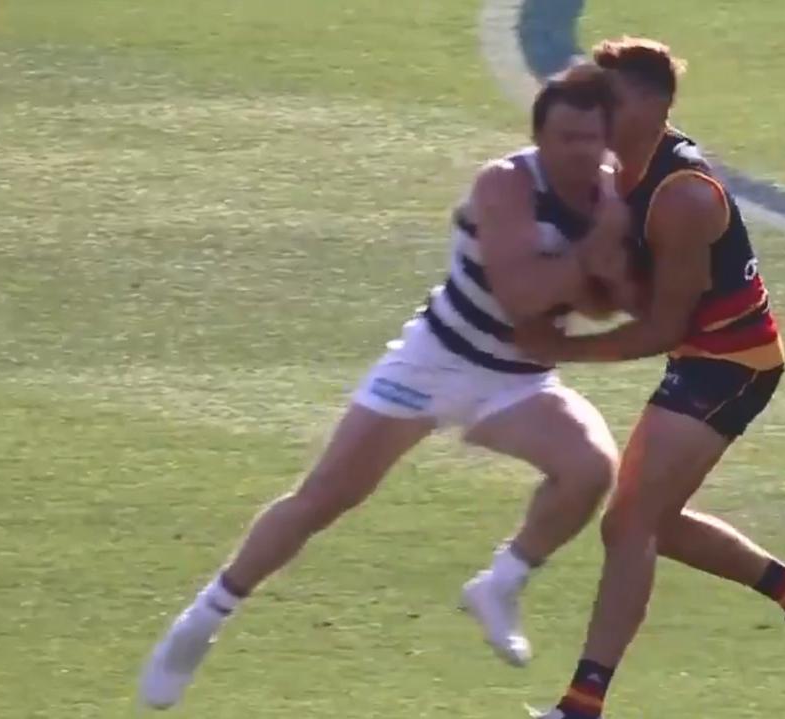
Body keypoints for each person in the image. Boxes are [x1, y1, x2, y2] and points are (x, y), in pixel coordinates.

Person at [138, 66, 634, 710]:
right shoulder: (506, 183)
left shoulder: (613, 195)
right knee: (325, 496)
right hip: (432, 362)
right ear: (539, 138)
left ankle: (501, 582)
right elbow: (524, 295)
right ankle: (205, 617)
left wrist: (598, 268)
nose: (579, 151)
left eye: (590, 138)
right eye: (565, 137)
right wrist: (599, 251)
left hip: (517, 378)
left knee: (591, 468)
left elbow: (608, 304)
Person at [516, 39, 785, 719]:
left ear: (652, 105)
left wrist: (559, 349)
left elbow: (665, 326)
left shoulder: (684, 197)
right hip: (698, 351)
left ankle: (582, 706)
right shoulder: (614, 170)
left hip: (731, 361)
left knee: (629, 524)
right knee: (651, 523)